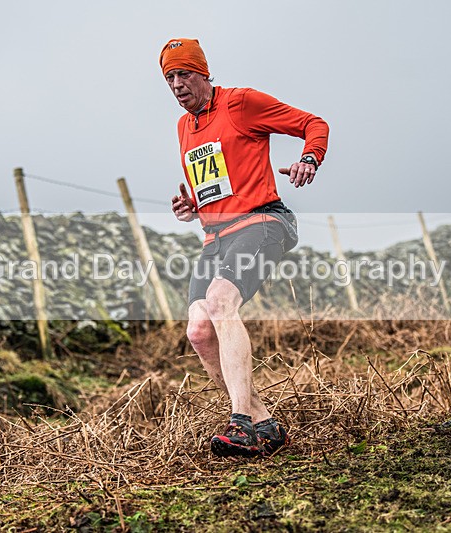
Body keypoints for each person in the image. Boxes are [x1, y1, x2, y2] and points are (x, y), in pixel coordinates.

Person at [160, 38, 329, 458]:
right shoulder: (184, 128)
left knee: (220, 303)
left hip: (263, 221)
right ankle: (264, 424)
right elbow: (218, 187)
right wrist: (192, 206)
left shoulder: (240, 103)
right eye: (169, 78)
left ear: (203, 74)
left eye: (184, 74)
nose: (177, 85)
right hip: (217, 236)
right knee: (198, 330)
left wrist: (310, 158)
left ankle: (239, 423)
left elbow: (314, 123)